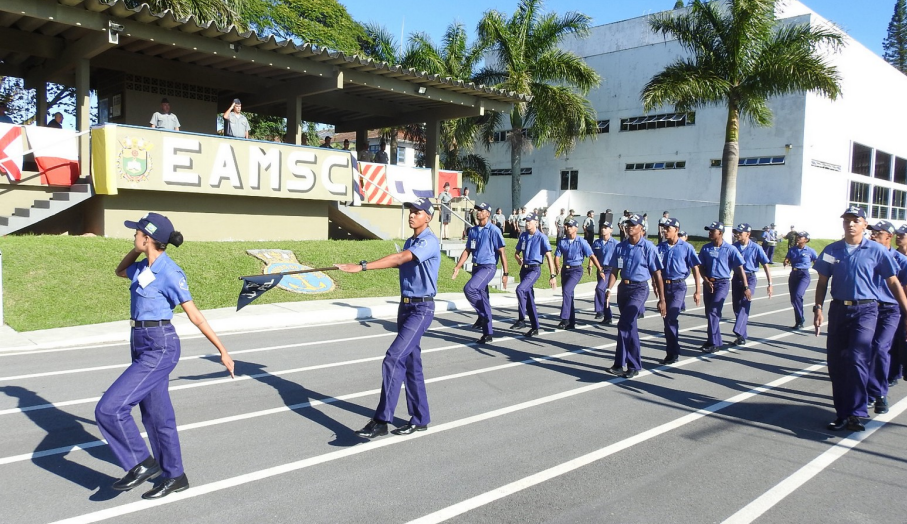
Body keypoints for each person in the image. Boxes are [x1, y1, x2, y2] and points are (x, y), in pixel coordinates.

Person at [96, 212, 235, 499]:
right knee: (157, 417)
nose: (132, 236)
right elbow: (119, 271)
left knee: (110, 408)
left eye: (136, 233)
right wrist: (137, 251)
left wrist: (222, 350)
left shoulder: (170, 272)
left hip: (160, 345)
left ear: (148, 238)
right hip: (140, 341)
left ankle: (141, 463)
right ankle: (175, 476)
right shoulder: (142, 268)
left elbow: (195, 315)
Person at [337, 198, 439, 438]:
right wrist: (363, 265)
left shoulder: (428, 241)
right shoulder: (411, 241)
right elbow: (401, 261)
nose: (412, 215)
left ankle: (382, 420)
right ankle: (420, 418)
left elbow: (401, 258)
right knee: (412, 364)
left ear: (429, 217)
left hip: (421, 309)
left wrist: (362, 267)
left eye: (418, 212)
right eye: (411, 211)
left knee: (393, 358)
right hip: (405, 307)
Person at [813, 206, 907, 432]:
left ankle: (856, 413)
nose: (851, 224)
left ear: (865, 224)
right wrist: (818, 308)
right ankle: (842, 414)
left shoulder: (876, 250)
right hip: (838, 310)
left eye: (856, 220)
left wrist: (905, 311)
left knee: (857, 358)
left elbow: (893, 282)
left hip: (866, 310)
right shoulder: (832, 250)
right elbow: (823, 282)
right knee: (836, 364)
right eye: (847, 220)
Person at [605, 213, 666, 378]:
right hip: (623, 289)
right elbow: (614, 271)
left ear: (641, 228)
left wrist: (662, 299)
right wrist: (609, 289)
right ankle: (619, 364)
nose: (629, 226)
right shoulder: (620, 247)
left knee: (625, 323)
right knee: (628, 326)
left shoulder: (648, 248)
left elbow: (658, 275)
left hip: (639, 289)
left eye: (633, 224)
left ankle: (634, 365)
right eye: (627, 224)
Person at [866, 220, 907, 416]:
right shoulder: (868, 255)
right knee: (863, 350)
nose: (872, 235)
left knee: (880, 347)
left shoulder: (901, 261)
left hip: (891, 310)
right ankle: (868, 391)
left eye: (877, 233)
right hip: (869, 309)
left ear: (888, 236)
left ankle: (879, 393)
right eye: (871, 232)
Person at [452, 202, 508, 344]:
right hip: (476, 267)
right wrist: (458, 266)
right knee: (483, 299)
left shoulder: (494, 230)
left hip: (488, 267)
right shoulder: (473, 231)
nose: (478, 212)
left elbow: (502, 252)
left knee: (470, 288)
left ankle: (482, 315)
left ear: (488, 214)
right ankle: (487, 333)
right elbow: (467, 250)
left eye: (481, 210)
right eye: (477, 210)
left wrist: (505, 273)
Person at [656, 218, 702, 364]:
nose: (664, 231)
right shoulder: (660, 247)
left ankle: (673, 353)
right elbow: (655, 268)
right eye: (664, 228)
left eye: (668, 229)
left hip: (678, 286)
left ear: (676, 230)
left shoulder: (686, 247)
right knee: (666, 320)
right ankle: (672, 350)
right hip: (664, 286)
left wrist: (697, 291)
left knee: (671, 318)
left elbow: (695, 268)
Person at [698, 221, 747, 353]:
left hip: (722, 283)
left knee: (714, 311)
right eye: (709, 230)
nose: (709, 233)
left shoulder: (730, 249)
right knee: (709, 313)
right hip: (708, 283)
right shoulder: (706, 248)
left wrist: (746, 286)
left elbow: (740, 268)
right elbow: (700, 267)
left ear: (720, 233)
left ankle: (714, 343)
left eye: (712, 231)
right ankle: (712, 339)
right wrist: (706, 280)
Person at [554, 218, 605, 330]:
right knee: (568, 294)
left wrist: (600, 269)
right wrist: (557, 267)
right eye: (566, 226)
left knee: (567, 290)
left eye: (570, 226)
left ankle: (565, 318)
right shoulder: (562, 241)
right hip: (565, 270)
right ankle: (571, 323)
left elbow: (591, 255)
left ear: (576, 228)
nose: (567, 228)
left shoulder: (582, 242)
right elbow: (557, 256)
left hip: (576, 270)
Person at [513, 212, 558, 336]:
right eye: (526, 221)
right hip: (524, 269)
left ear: (536, 223)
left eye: (529, 221)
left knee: (520, 289)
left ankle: (521, 319)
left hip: (534, 269)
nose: (527, 223)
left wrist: (552, 275)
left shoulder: (542, 237)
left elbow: (549, 256)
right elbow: (516, 253)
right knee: (529, 298)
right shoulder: (523, 236)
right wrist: (518, 259)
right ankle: (535, 327)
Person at [730, 223, 773, 346]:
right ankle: (742, 336)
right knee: (736, 306)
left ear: (748, 234)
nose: (737, 234)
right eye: (737, 232)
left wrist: (770, 283)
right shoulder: (734, 247)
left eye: (740, 232)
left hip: (750, 278)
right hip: (737, 278)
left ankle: (738, 330)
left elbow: (765, 265)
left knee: (745, 303)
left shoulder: (756, 248)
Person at [783, 231, 817, 329]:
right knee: (793, 298)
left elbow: (816, 261)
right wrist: (785, 261)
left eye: (801, 237)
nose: (798, 238)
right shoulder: (792, 250)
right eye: (798, 236)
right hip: (793, 274)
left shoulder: (810, 251)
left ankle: (800, 320)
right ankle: (799, 320)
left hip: (804, 275)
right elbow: (787, 258)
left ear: (806, 239)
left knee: (798, 295)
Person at [590, 221, 618, 325]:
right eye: (602, 227)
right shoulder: (597, 242)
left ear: (611, 230)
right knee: (604, 292)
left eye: (606, 227)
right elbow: (592, 255)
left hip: (610, 270)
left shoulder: (616, 243)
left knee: (599, 288)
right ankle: (608, 317)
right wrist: (590, 265)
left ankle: (600, 311)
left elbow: (620, 258)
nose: (603, 229)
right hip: (600, 269)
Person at [891, 224, 907, 387]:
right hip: (894, 300)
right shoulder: (893, 255)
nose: (899, 236)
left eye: (903, 234)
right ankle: (894, 373)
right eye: (898, 234)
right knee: (895, 338)